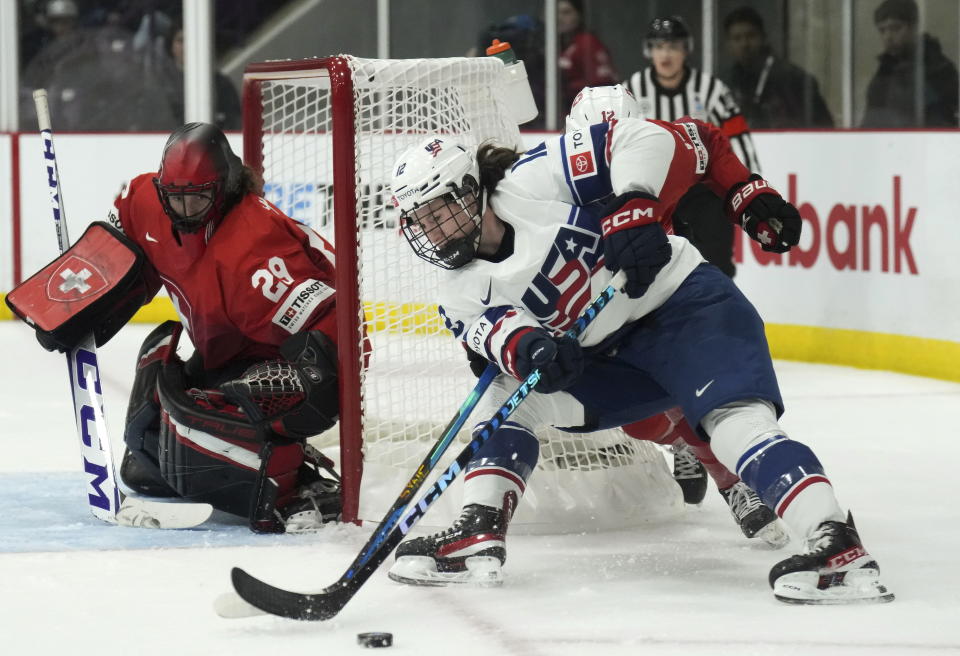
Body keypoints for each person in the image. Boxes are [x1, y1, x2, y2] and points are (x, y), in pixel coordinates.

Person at [382, 116, 894, 604]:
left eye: (439, 212)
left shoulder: (533, 178)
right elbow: (498, 338)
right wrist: (532, 350)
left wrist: (634, 203)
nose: (434, 231)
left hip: (685, 310)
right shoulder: (457, 291)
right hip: (608, 362)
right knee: (505, 401)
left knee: (733, 425)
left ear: (472, 191)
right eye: (421, 221)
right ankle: (479, 528)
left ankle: (833, 541)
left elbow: (642, 137)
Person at [9, 123, 342, 533]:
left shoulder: (255, 251)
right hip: (224, 351)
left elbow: (339, 325)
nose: (184, 210)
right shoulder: (144, 198)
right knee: (149, 454)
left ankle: (297, 478)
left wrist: (293, 387)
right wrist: (75, 304)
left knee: (203, 450)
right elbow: (122, 259)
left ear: (224, 187)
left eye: (198, 198)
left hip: (270, 362)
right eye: (175, 198)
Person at [565, 84, 786, 548]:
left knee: (703, 391)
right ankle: (687, 444)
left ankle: (732, 480)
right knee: (639, 419)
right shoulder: (551, 181)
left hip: (665, 292)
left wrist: (747, 192)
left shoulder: (656, 145)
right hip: (603, 312)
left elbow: (707, 140)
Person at [627, 15, 756, 279]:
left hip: (705, 194)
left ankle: (718, 316)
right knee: (659, 270)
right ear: (649, 51)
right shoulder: (633, 91)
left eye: (673, 46)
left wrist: (749, 190)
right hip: (657, 194)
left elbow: (739, 139)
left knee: (716, 264)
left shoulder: (711, 90)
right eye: (659, 46)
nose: (666, 54)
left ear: (685, 50)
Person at [723, 6, 834, 129]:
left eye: (751, 36)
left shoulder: (794, 79)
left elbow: (824, 127)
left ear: (764, 38)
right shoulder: (725, 82)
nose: (745, 44)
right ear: (728, 45)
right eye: (737, 38)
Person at [861, 0, 958, 127]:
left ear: (914, 27)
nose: (888, 37)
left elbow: (941, 120)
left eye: (895, 28)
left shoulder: (937, 69)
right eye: (882, 30)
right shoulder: (883, 73)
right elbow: (869, 122)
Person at [155, 24, 243, 130]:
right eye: (181, 40)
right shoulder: (164, 88)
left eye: (191, 39)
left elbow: (235, 123)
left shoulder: (222, 83)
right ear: (171, 47)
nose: (186, 46)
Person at [557, 0, 618, 112]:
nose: (559, 18)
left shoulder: (588, 43)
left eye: (566, 12)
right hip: (567, 113)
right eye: (557, 12)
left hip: (586, 114)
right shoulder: (555, 45)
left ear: (579, 15)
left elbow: (603, 86)